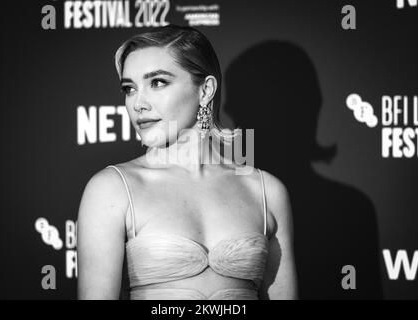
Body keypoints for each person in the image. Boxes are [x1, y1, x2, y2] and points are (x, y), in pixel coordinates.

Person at [77, 25, 297, 300]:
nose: (138, 103)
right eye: (129, 88)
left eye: (157, 82)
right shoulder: (112, 189)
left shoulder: (266, 191)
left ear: (205, 91)